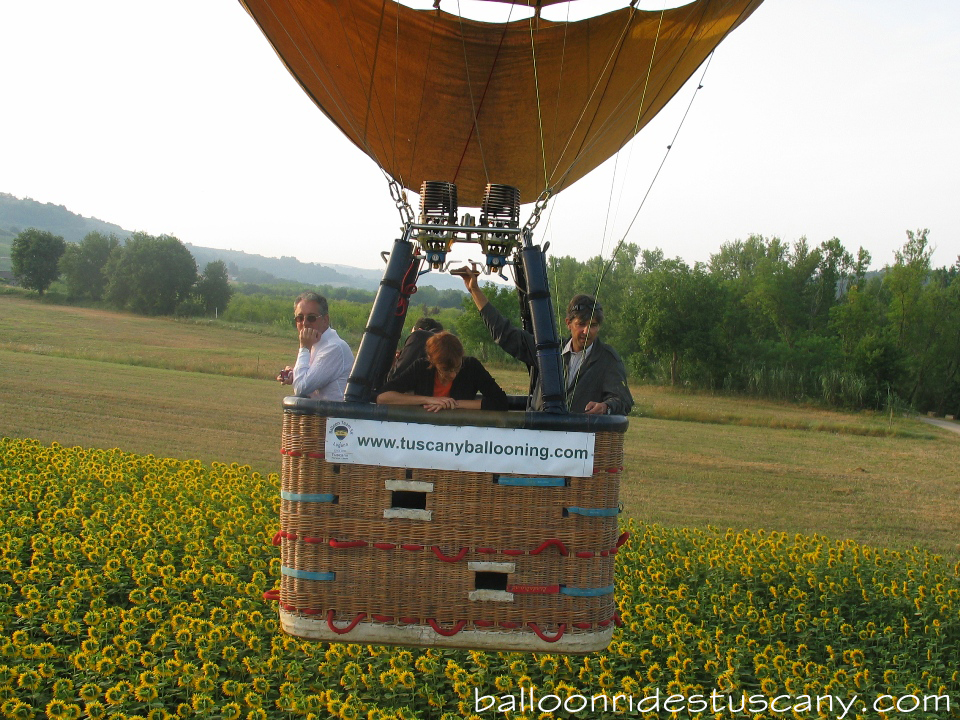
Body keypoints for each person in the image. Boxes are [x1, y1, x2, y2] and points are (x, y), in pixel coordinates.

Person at [456, 267, 633, 415]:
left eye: (593, 325)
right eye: (582, 324)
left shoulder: (607, 359)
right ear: (568, 323)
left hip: (578, 446)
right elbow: (505, 334)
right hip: (540, 440)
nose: (587, 331)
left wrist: (605, 407)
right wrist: (475, 291)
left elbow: (622, 400)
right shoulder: (548, 351)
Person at [376, 331, 509, 412]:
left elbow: (500, 402)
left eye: (457, 367)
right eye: (445, 370)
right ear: (432, 362)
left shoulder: (471, 366)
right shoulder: (421, 367)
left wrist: (454, 404)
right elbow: (383, 397)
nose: (453, 374)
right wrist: (428, 400)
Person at [277, 291, 353, 400]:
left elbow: (301, 388)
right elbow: (308, 380)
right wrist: (294, 374)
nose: (305, 323)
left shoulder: (333, 347)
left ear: (325, 320)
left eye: (311, 318)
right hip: (318, 415)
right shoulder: (316, 344)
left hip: (333, 416)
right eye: (300, 318)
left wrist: (303, 347)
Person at [384, 316, 443, 383]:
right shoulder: (445, 351)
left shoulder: (418, 337)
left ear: (419, 330)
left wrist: (394, 364)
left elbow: (395, 379)